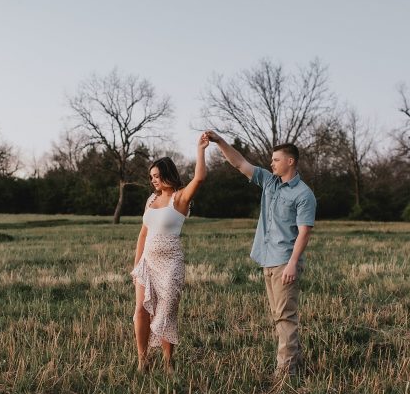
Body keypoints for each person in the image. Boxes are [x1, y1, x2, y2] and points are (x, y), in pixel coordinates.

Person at [204, 131, 316, 378]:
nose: (271, 163)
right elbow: (239, 162)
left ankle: (284, 374)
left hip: (285, 262)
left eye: (276, 159)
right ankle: (296, 364)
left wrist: (292, 264)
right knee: (279, 316)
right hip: (268, 258)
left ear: (290, 162)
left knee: (285, 317)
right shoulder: (268, 181)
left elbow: (304, 233)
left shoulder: (303, 194)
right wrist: (219, 141)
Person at [131, 134, 209, 373]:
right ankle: (142, 360)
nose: (153, 180)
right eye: (151, 177)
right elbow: (143, 234)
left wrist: (200, 149)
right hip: (147, 262)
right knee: (140, 312)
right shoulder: (151, 199)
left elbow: (200, 176)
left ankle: (168, 361)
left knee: (166, 311)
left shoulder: (181, 197)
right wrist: (136, 265)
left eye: (157, 176)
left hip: (171, 262)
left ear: (168, 174)